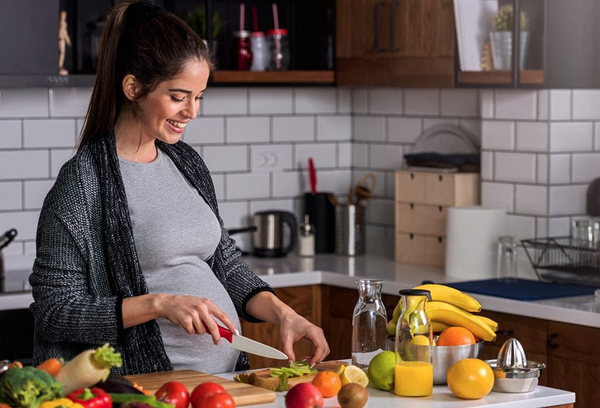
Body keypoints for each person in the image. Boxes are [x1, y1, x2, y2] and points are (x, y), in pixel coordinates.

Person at [30, 0, 329, 375]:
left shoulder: (185, 162)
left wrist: (284, 314)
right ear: (133, 87)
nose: (192, 112)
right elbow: (55, 311)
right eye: (178, 96)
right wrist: (159, 305)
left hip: (222, 381)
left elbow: (225, 264)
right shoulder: (83, 182)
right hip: (146, 387)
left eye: (199, 96)